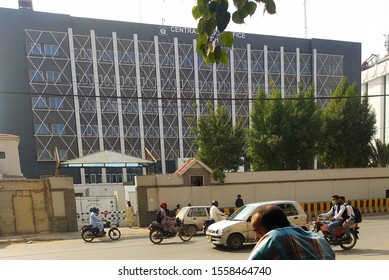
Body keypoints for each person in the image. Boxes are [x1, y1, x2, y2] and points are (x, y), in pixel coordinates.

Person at [248, 204, 335, 260]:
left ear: (275, 228)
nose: (256, 237)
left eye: (259, 232)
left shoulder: (274, 237)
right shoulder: (322, 241)